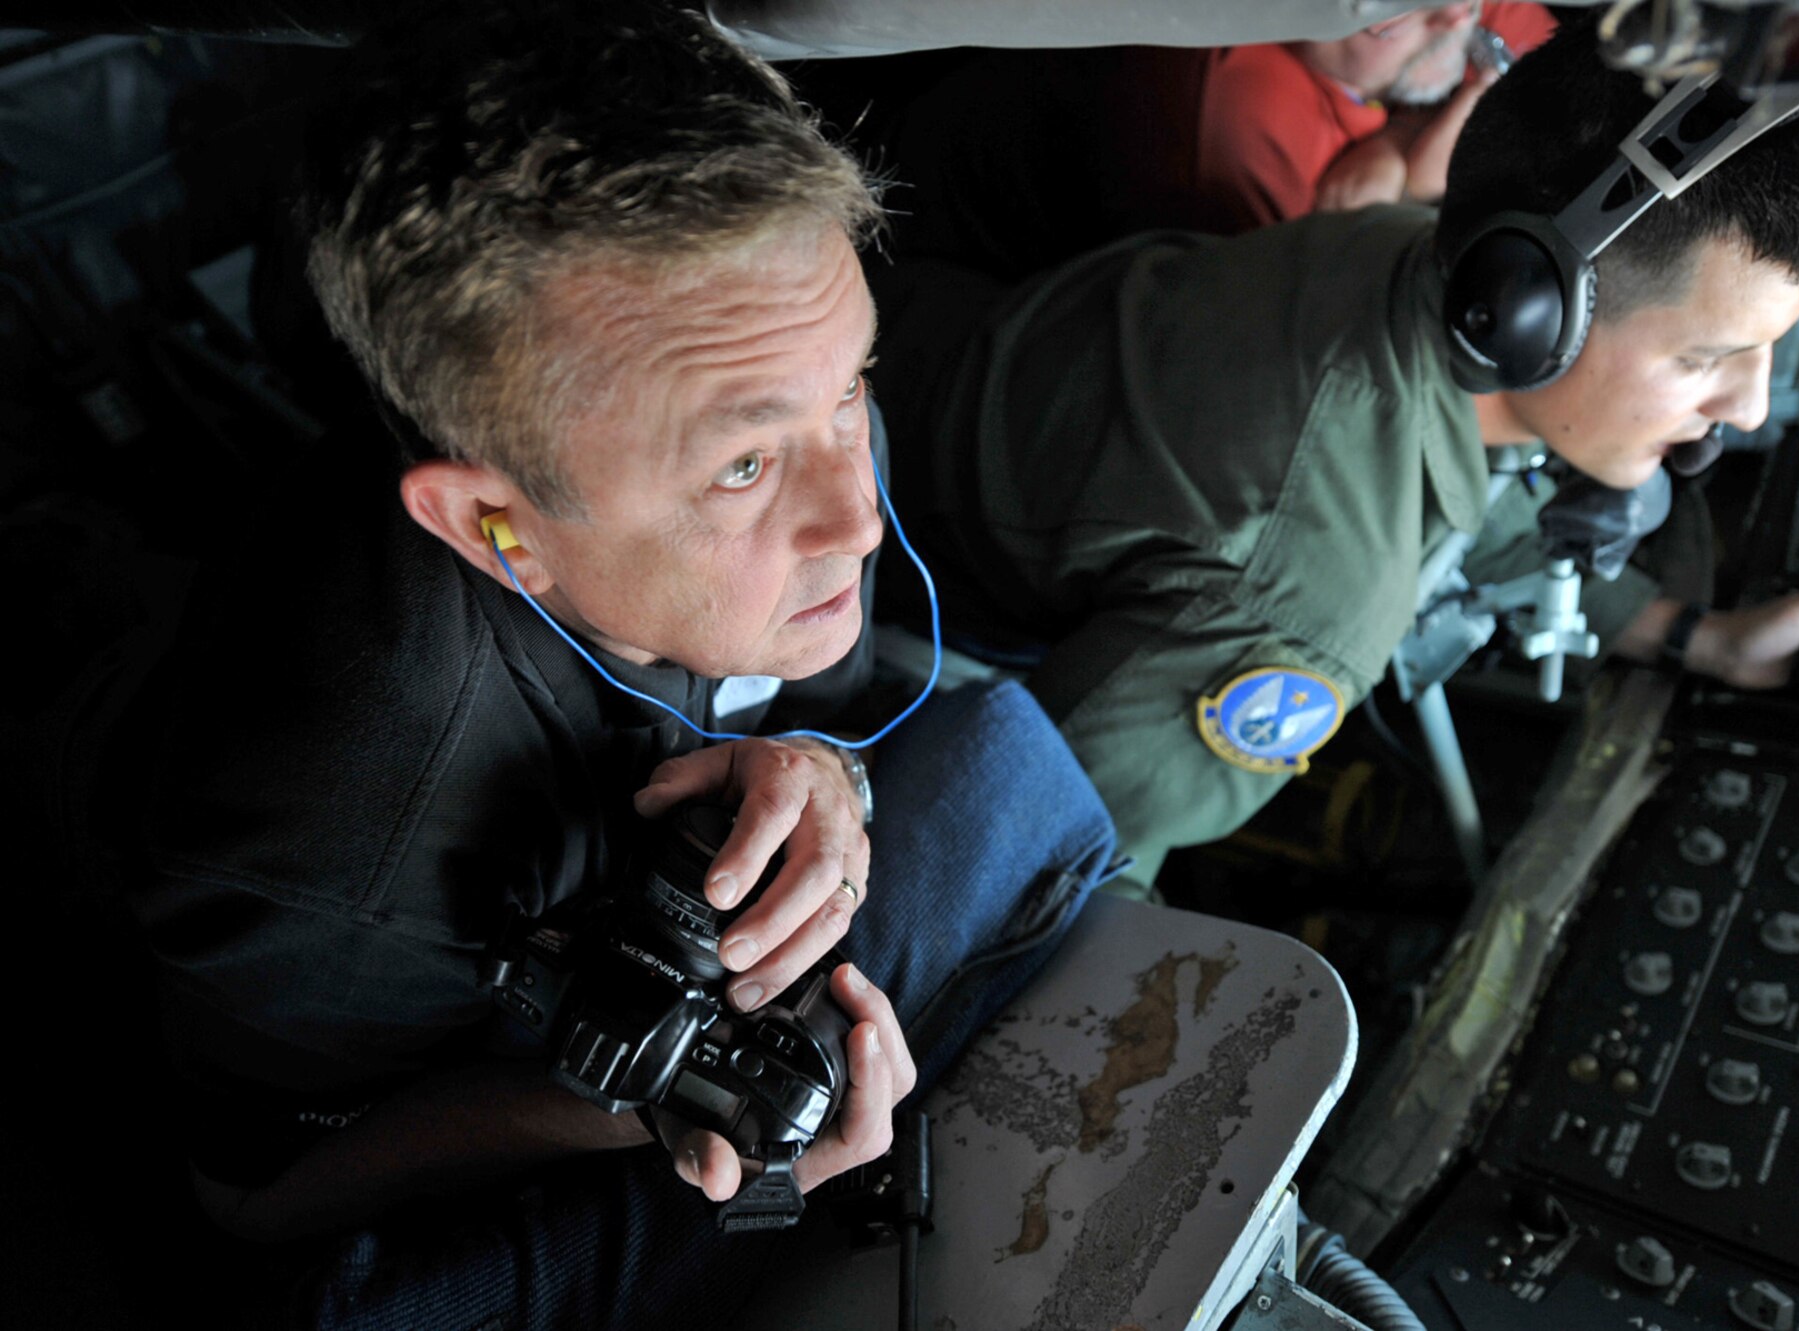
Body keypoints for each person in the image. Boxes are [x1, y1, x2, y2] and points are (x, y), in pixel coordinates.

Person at [124, 3, 1116, 1326]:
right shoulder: (326, 824)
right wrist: (625, 1097)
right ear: (495, 525)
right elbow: (259, 1190)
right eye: (747, 464)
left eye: (853, 384)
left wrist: (826, 773)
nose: (858, 513)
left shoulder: (752, 433)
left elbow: (823, 630)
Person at [875, 22, 1799, 889]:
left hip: (909, 332)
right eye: (1706, 357)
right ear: (1530, 312)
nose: (1746, 404)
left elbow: (1460, 495)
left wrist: (1693, 637)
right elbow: (1032, 860)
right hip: (890, 552)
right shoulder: (1303, 602)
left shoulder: (1407, 252)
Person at [831, 2, 1553, 284]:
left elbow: (1515, 32)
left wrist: (1401, 139)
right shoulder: (1242, 122)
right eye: (1416, 17)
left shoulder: (1394, 36)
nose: (1458, 12)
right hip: (910, 242)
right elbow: (1284, 301)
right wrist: (1398, 164)